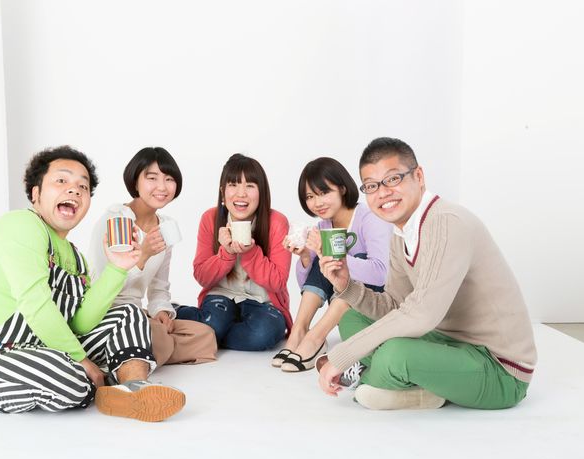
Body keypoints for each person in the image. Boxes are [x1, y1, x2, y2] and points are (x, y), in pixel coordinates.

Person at [0, 146, 185, 422]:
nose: (74, 190)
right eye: (61, 181)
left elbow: (81, 323)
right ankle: (101, 379)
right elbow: (35, 304)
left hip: (46, 346)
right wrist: (81, 360)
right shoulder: (20, 225)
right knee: (70, 378)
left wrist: (118, 268)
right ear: (36, 193)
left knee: (129, 314)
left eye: (83, 187)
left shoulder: (75, 257)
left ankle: (134, 388)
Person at [316, 137, 537, 410]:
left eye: (392, 179)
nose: (383, 193)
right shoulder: (401, 233)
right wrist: (347, 286)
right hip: (445, 340)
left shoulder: (448, 223)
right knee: (353, 317)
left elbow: (421, 314)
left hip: (498, 369)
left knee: (395, 354)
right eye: (372, 186)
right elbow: (395, 306)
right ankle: (417, 386)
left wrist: (342, 356)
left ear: (418, 176)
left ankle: (373, 377)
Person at [88, 147, 216, 366]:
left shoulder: (166, 227)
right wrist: (143, 255)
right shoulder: (116, 221)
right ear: (135, 181)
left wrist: (161, 310)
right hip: (108, 315)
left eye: (169, 179)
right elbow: (102, 287)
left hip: (139, 313)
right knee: (158, 337)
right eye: (152, 178)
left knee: (206, 334)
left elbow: (159, 286)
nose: (162, 187)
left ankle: (137, 351)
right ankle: (135, 353)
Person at [274, 157, 391, 372]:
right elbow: (309, 286)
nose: (317, 203)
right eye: (310, 197)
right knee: (321, 260)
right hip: (342, 303)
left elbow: (381, 274)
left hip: (376, 302)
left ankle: (316, 338)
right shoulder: (323, 226)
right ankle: (298, 331)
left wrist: (328, 253)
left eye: (324, 192)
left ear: (342, 189)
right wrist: (306, 256)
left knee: (337, 256)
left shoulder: (370, 218)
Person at [176, 154, 291, 351]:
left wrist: (250, 252)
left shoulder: (277, 222)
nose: (241, 194)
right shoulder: (211, 218)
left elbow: (278, 282)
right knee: (215, 324)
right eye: (233, 185)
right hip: (221, 296)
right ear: (223, 192)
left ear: (262, 193)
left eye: (250, 186)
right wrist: (226, 253)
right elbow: (202, 276)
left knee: (263, 333)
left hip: (262, 302)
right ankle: (181, 314)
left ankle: (210, 334)